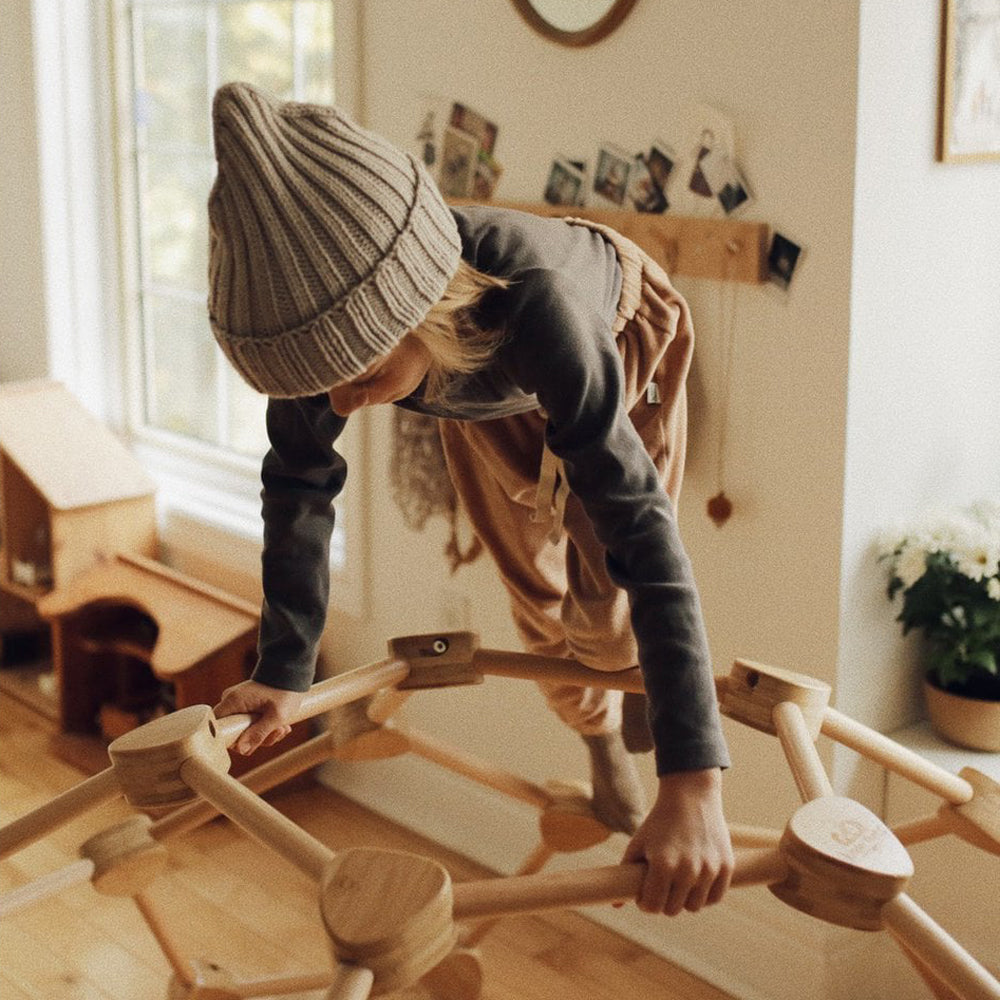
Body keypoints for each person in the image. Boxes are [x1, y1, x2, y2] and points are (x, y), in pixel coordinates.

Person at [207, 82, 733, 917]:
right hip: (475, 385)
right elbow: (298, 482)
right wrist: (283, 669)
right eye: (322, 388)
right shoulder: (330, 344)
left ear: (420, 304)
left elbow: (646, 536)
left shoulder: (544, 310)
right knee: (535, 602)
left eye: (360, 379)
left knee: (603, 614)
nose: (340, 406)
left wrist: (696, 785)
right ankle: (598, 736)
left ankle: (638, 725)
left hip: (617, 348)